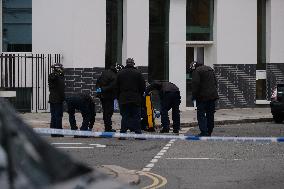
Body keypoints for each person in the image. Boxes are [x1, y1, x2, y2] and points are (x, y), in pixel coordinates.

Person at [116, 58, 146, 138]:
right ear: (133, 63)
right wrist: (139, 94)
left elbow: (116, 87)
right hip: (135, 98)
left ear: (126, 63)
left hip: (123, 98)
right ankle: (138, 134)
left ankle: (123, 134)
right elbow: (143, 87)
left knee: (125, 116)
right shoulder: (138, 73)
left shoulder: (120, 73)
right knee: (136, 116)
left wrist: (119, 96)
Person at [189, 61, 219, 136]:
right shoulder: (210, 69)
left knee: (201, 115)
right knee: (210, 115)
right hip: (212, 96)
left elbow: (195, 84)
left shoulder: (197, 71)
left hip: (202, 97)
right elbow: (216, 82)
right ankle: (209, 131)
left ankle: (204, 132)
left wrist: (194, 96)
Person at [96, 64, 124, 132]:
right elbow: (112, 87)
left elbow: (97, 83)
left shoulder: (105, 72)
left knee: (105, 112)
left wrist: (99, 92)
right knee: (108, 113)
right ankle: (108, 129)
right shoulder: (115, 76)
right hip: (108, 97)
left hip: (102, 96)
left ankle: (107, 127)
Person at [48, 63, 65, 137]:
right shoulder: (54, 76)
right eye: (61, 68)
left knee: (55, 116)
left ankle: (54, 132)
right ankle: (57, 132)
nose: (62, 70)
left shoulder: (57, 76)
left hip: (55, 99)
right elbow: (54, 79)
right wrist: (58, 73)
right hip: (56, 99)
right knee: (57, 116)